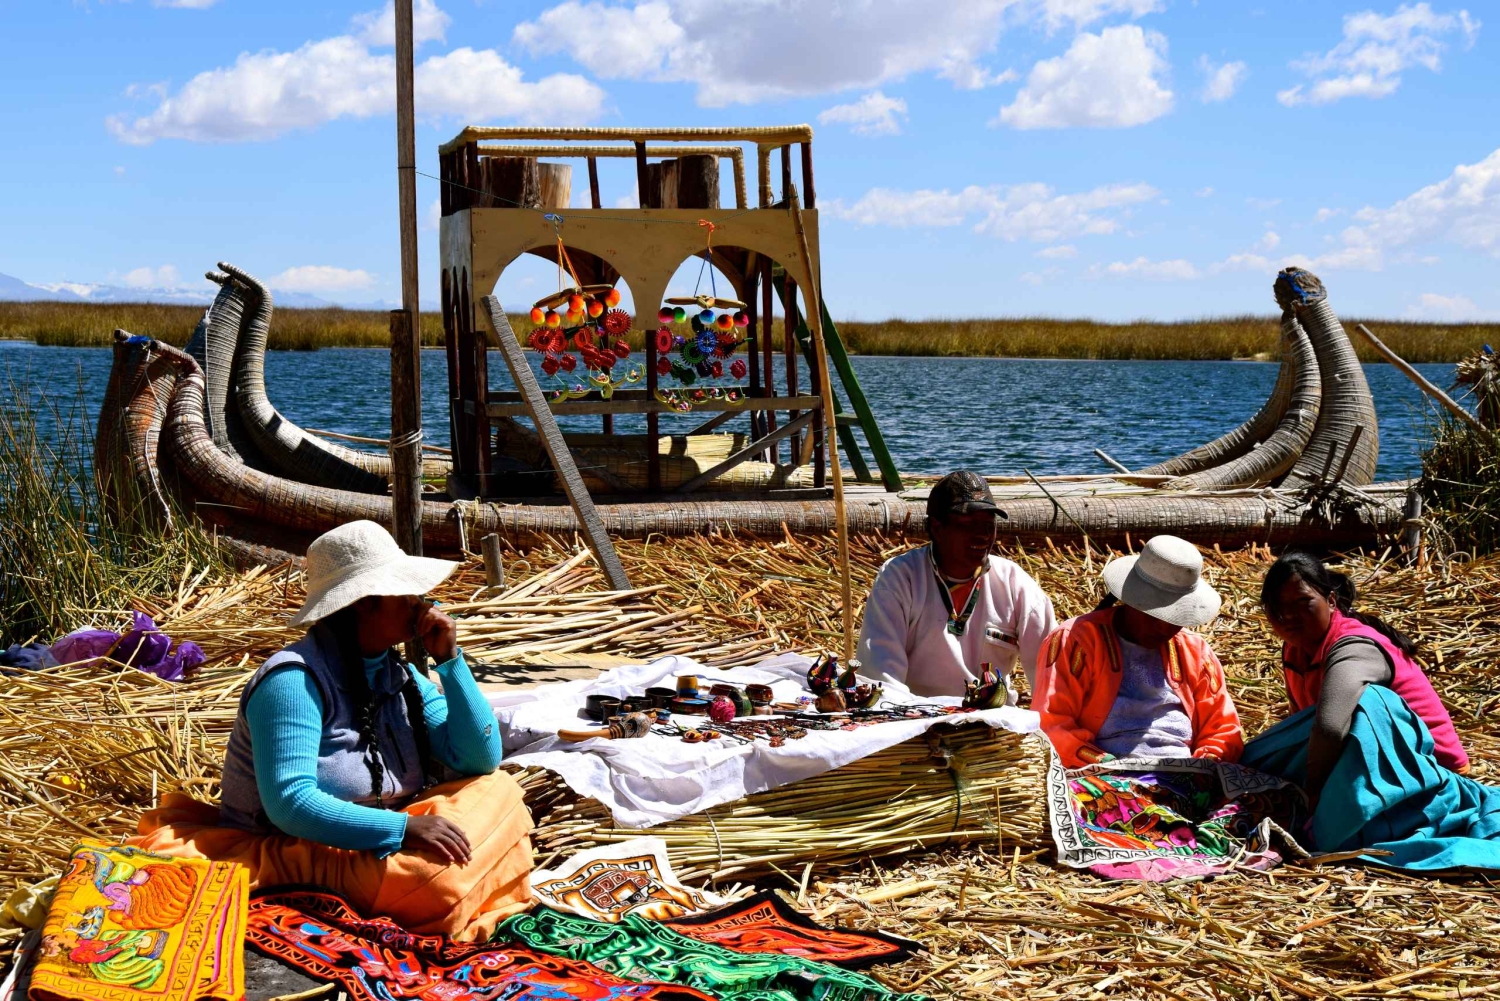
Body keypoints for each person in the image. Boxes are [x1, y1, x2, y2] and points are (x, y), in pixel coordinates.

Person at [127, 520, 533, 941]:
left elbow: (480, 758)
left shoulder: (399, 675)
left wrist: (450, 662)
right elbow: (290, 803)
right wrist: (403, 830)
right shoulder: (292, 681)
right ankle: (447, 889)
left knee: (500, 788)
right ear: (364, 603)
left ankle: (439, 886)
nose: (421, 603)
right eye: (406, 591)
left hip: (381, 840)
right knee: (438, 879)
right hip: (299, 851)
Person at [1259, 551, 1470, 799]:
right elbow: (1300, 724)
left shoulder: (1353, 647)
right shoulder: (1295, 649)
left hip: (1431, 770)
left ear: (1331, 601)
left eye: (1302, 602)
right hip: (1380, 760)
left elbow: (1330, 729)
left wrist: (1312, 797)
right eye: (1277, 606)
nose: (1288, 616)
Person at [1033, 535, 1242, 768]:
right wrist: (1108, 766)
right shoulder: (1076, 641)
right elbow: (1052, 725)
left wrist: (1202, 770)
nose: (1164, 628)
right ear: (1131, 601)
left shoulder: (1195, 652)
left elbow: (1222, 729)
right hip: (1103, 773)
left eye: (1175, 618)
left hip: (1184, 774)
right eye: (1155, 615)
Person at [857, 470, 1055, 700]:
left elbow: (1050, 674)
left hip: (992, 716)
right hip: (916, 713)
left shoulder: (1014, 583)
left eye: (988, 525)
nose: (982, 535)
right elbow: (881, 676)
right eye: (968, 525)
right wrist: (912, 716)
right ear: (937, 528)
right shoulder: (901, 578)